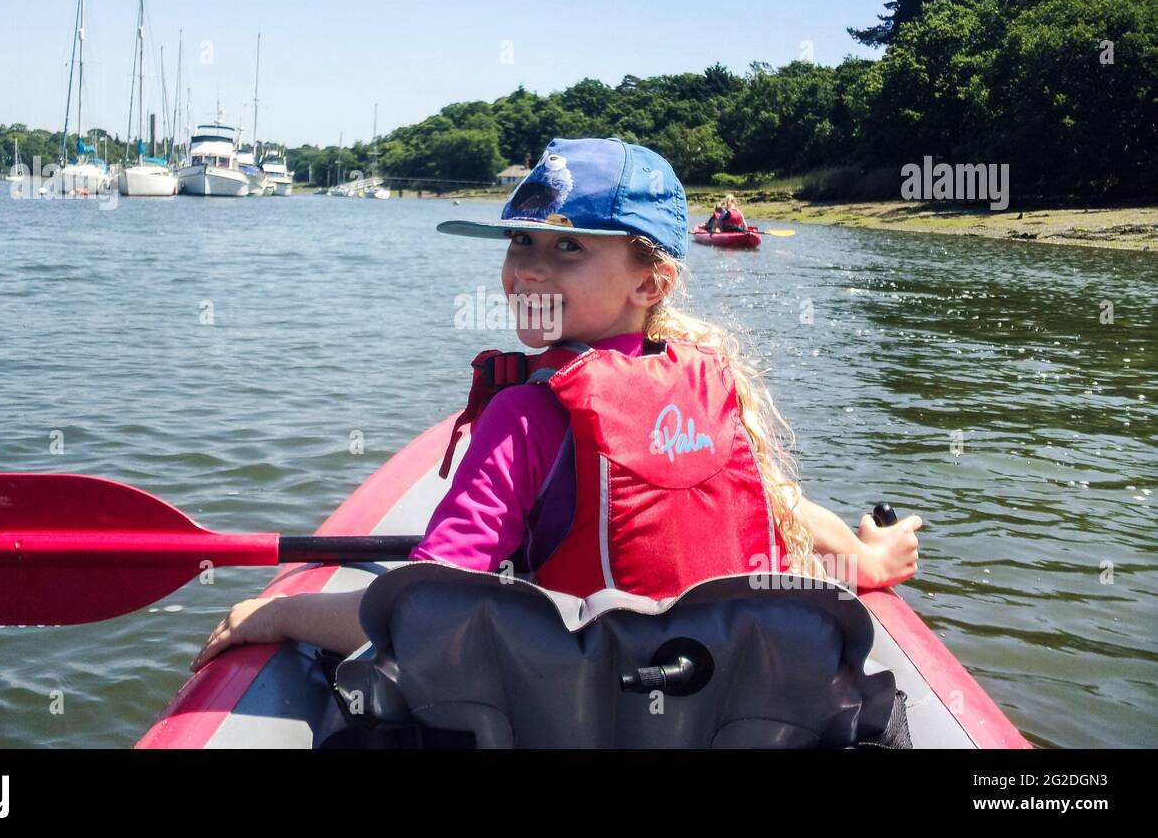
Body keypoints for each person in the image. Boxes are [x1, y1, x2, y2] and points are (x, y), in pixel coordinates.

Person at [191, 137, 922, 667]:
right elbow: (783, 508)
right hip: (732, 708)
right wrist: (868, 558)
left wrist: (279, 612)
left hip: (591, 710)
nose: (526, 271)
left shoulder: (526, 415)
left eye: (567, 250)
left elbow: (422, 614)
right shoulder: (708, 378)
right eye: (520, 243)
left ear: (651, 283)